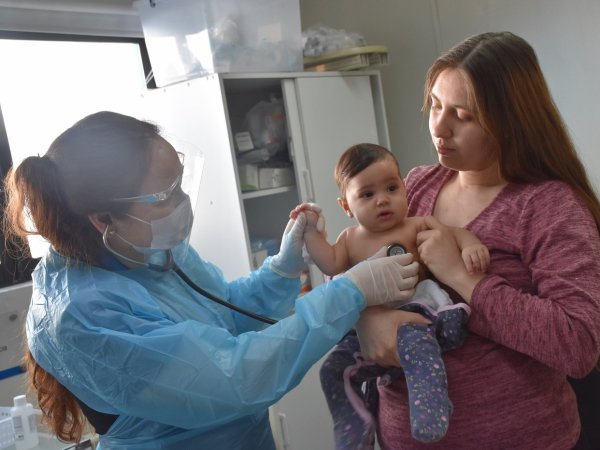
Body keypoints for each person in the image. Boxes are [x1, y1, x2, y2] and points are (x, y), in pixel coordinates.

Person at [1, 111, 422, 450]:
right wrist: (349, 291)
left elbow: (226, 312)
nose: (182, 202)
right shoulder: (81, 317)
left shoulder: (145, 247)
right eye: (165, 195)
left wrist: (282, 268)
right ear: (102, 219)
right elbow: (233, 377)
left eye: (179, 184)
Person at [352, 32, 600, 449]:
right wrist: (366, 318)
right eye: (435, 105)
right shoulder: (414, 186)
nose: (439, 127)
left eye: (462, 116)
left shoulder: (549, 207)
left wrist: (463, 279)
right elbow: (352, 261)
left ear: (511, 122)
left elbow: (578, 345)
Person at [292, 143, 489, 448]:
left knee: (418, 347)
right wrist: (309, 233)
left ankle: (431, 407)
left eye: (392, 188)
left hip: (416, 316)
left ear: (404, 188)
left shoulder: (416, 225)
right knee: (333, 370)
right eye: (367, 194)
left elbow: (454, 234)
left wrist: (471, 245)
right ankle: (354, 425)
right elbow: (329, 263)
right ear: (346, 206)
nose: (382, 199)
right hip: (367, 333)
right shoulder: (349, 239)